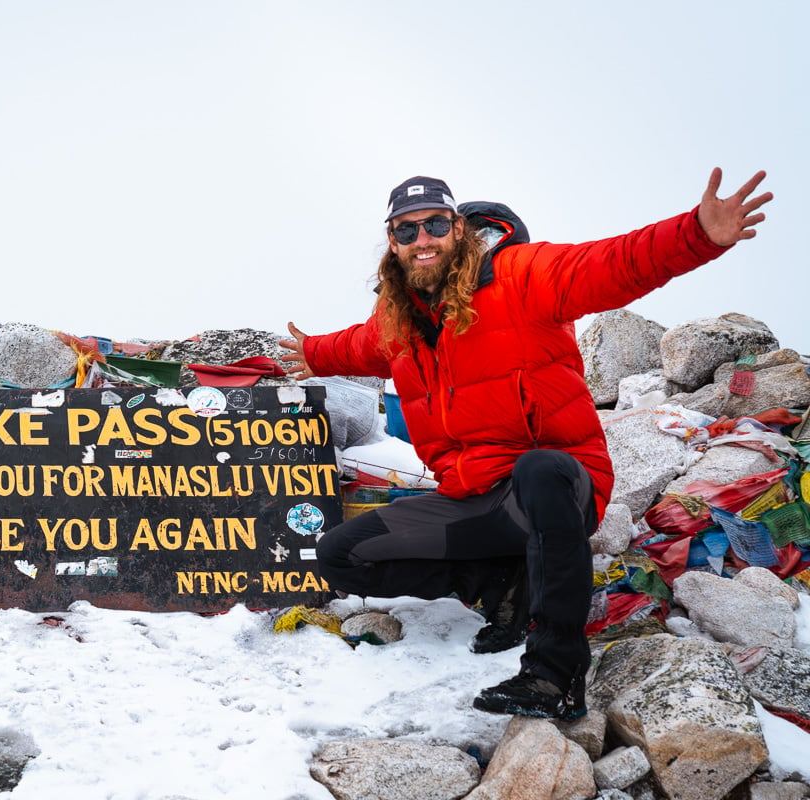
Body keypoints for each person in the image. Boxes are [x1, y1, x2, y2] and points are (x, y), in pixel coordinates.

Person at [279, 170, 771, 719]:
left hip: (559, 487)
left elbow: (613, 263)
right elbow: (362, 345)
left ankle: (554, 673)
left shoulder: (522, 275)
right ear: (392, 243)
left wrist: (698, 233)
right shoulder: (400, 316)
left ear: (458, 229)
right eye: (407, 229)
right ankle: (501, 585)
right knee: (340, 555)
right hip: (476, 496)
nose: (422, 239)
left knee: (539, 470)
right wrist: (317, 352)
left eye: (435, 224)